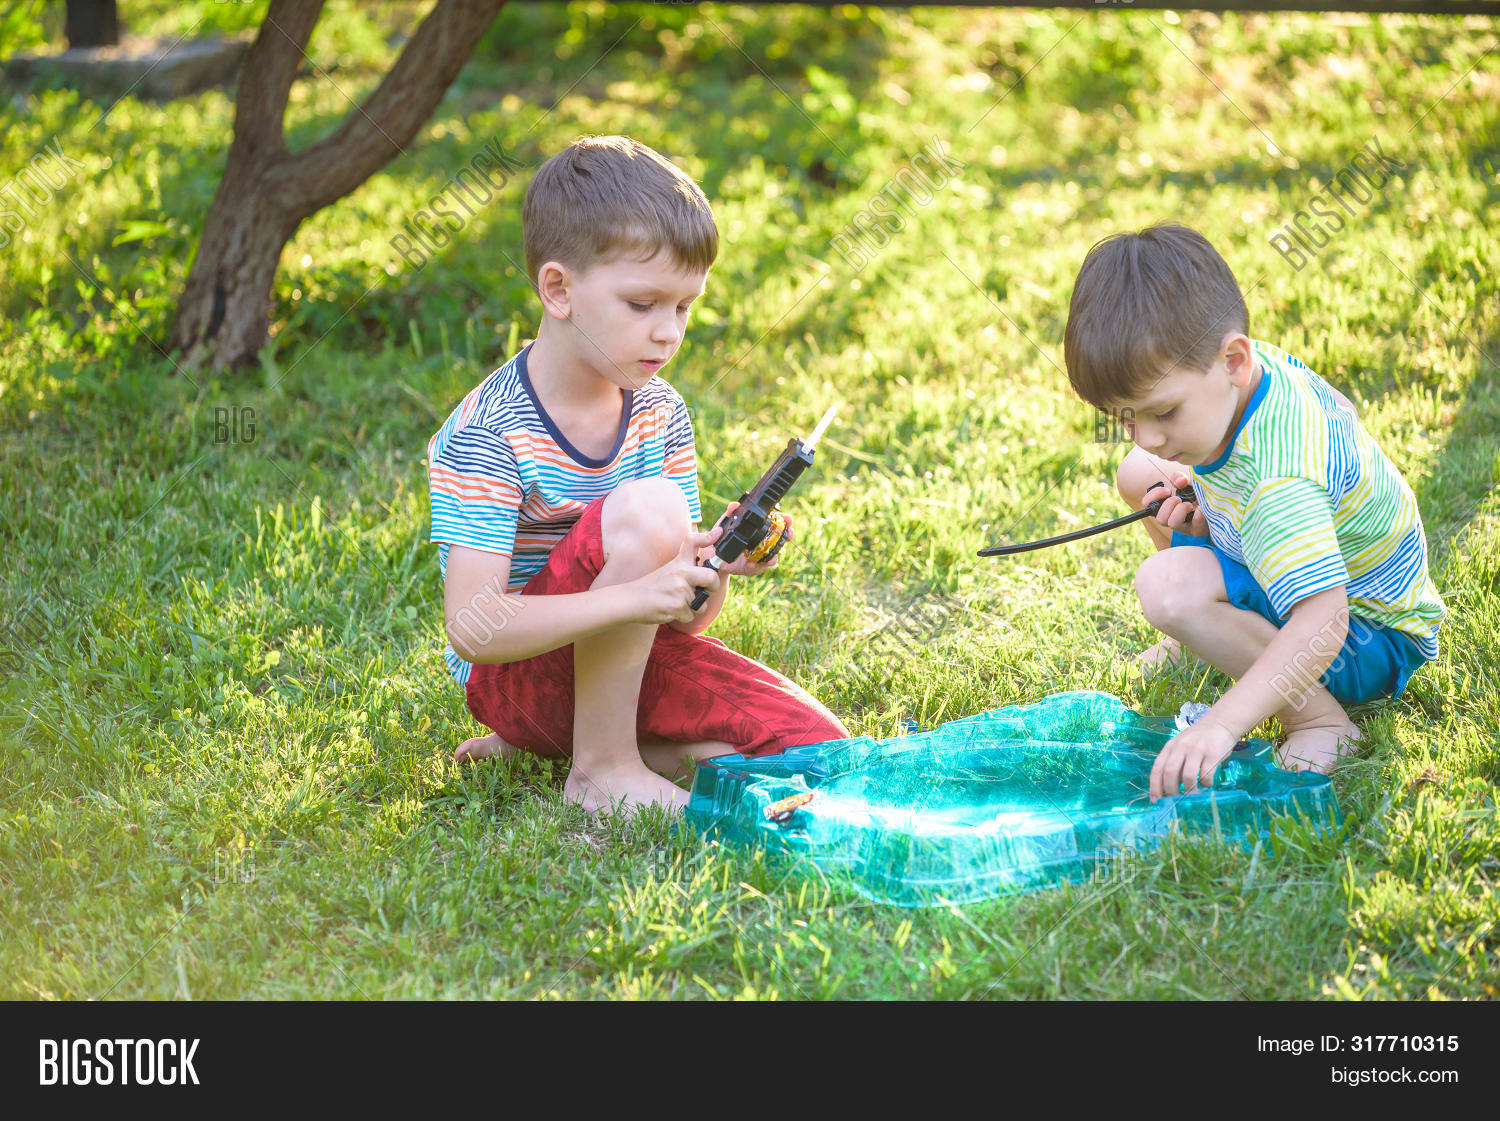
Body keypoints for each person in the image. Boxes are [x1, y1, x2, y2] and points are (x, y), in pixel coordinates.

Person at [427, 135, 846, 814]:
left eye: (684, 307)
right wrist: (635, 596)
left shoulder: (661, 413)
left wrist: (712, 569)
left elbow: (686, 626)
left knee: (814, 750)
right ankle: (601, 770)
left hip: (622, 666)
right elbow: (475, 626)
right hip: (514, 677)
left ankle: (568, 750)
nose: (668, 333)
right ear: (558, 289)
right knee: (652, 508)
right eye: (643, 304)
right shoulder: (487, 434)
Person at [1062, 223, 1445, 801]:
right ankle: (1210, 633)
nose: (1148, 434)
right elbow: (1341, 408)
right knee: (1142, 473)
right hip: (1301, 573)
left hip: (1367, 637)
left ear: (1232, 360)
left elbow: (1325, 620)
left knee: (1170, 589)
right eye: (1126, 417)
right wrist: (1211, 501)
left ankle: (1316, 720)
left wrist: (1221, 724)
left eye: (1164, 412)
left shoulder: (1279, 484)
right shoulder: (1251, 369)